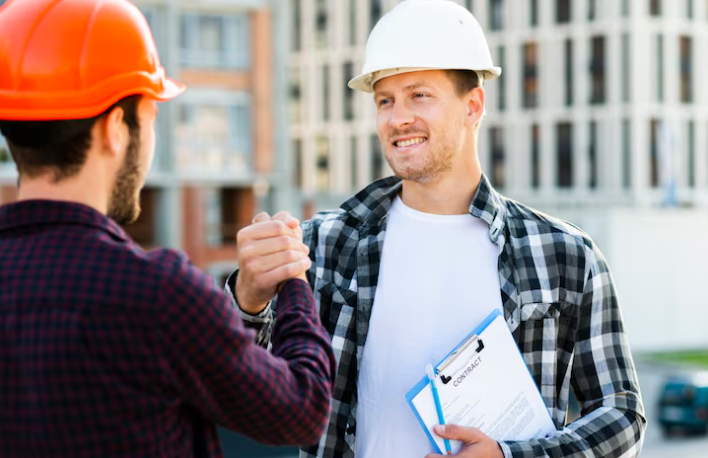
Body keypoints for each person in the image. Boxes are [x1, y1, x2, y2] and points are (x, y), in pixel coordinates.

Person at [231, 1, 647, 458]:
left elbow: (622, 415)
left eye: (419, 95)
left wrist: (511, 457)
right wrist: (247, 300)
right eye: (385, 100)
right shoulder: (323, 246)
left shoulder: (565, 255)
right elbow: (241, 389)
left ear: (473, 106)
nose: (397, 117)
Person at [0, 1, 335, 457]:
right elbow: (303, 408)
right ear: (117, 128)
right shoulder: (155, 294)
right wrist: (293, 276)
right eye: (151, 118)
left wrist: (247, 303)